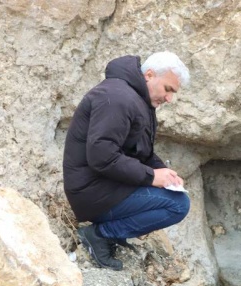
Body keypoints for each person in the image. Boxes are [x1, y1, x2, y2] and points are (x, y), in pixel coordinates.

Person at [63, 51, 191, 271]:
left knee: (175, 197)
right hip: (91, 192)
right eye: (168, 89)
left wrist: (163, 172)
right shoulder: (118, 98)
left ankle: (108, 232)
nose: (169, 98)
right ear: (149, 75)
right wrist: (151, 177)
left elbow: (142, 152)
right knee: (177, 205)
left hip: (104, 186)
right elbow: (102, 157)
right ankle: (99, 235)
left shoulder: (136, 99)